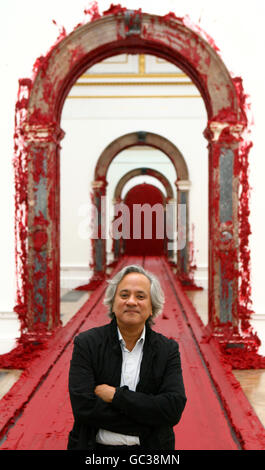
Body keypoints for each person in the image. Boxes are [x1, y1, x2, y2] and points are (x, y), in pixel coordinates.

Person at [67, 264, 186, 450]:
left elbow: (172, 408)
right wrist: (149, 422)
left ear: (152, 307)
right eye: (124, 295)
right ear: (112, 303)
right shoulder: (87, 344)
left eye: (140, 296)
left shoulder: (167, 350)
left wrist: (116, 396)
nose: (131, 302)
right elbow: (84, 408)